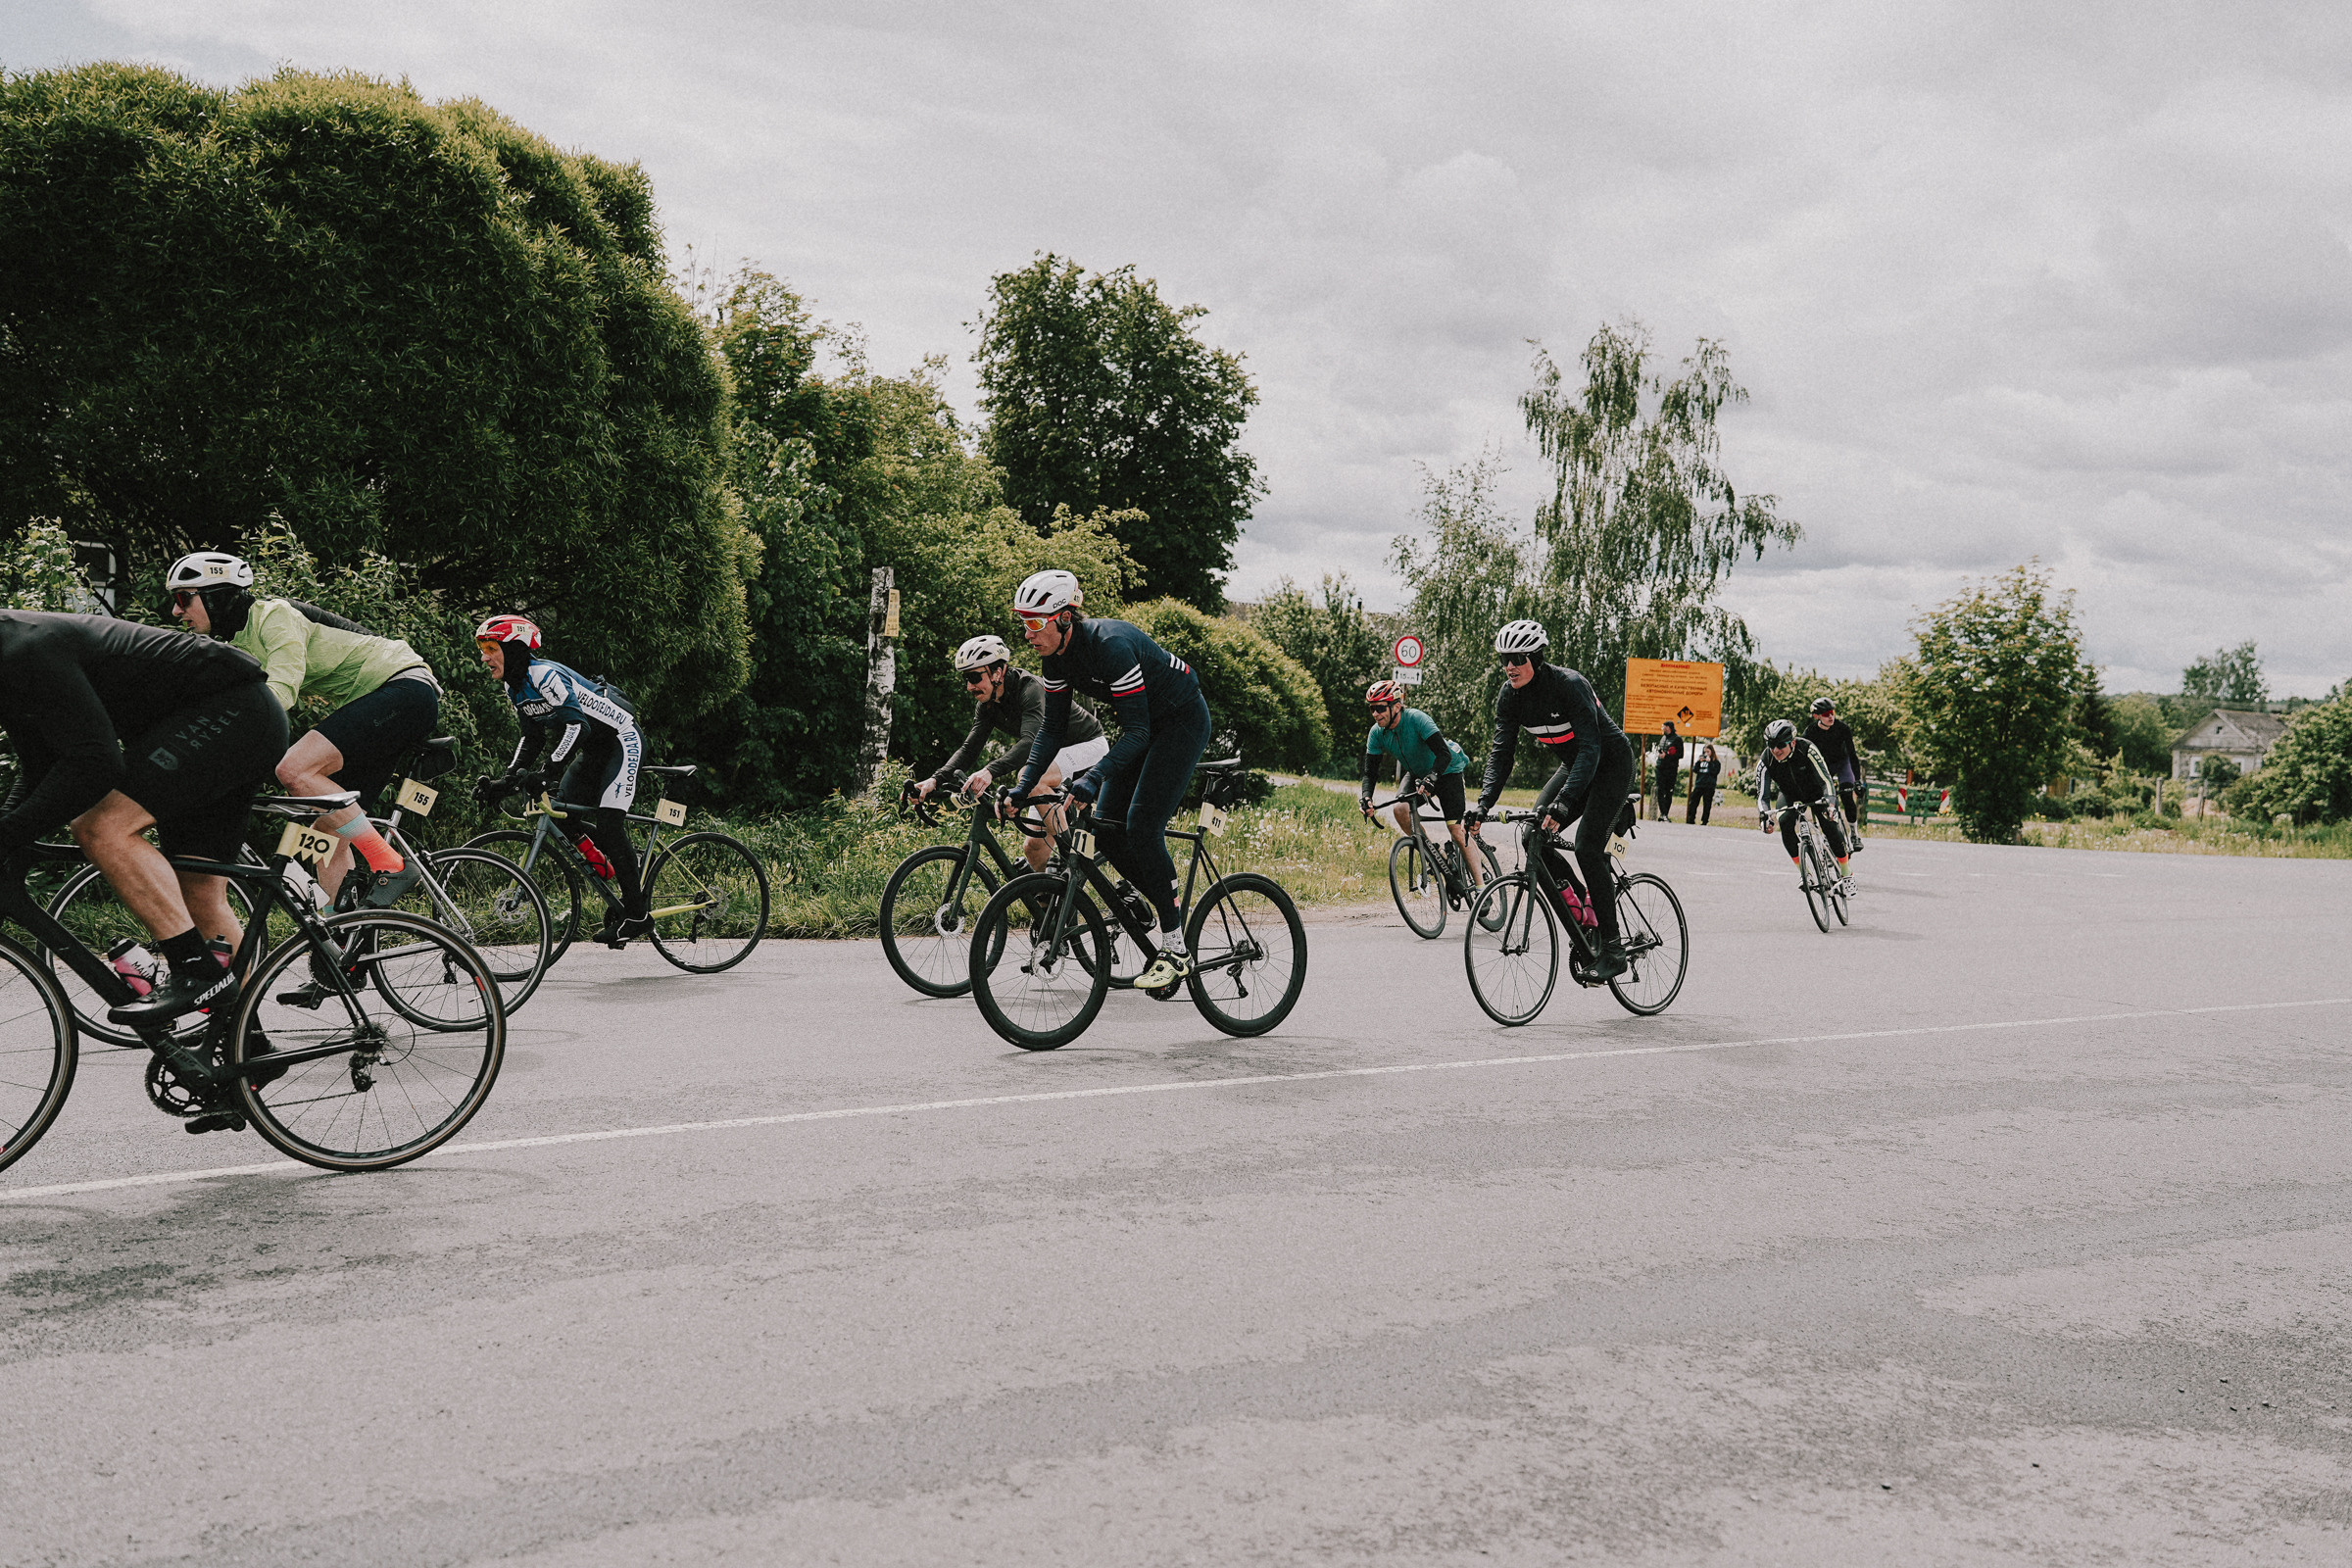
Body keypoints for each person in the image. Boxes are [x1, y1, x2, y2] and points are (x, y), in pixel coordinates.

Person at [0, 611, 286, 1023]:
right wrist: (10, 831)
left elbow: (97, 762)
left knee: (100, 828)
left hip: (231, 713)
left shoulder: (23, 650)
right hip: (231, 719)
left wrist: (8, 834)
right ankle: (245, 1047)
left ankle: (194, 968)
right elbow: (41, 763)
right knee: (199, 890)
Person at [166, 552, 441, 909]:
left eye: (183, 598)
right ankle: (342, 938)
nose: (176, 611)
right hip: (382, 700)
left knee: (293, 770)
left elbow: (281, 691)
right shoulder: (236, 644)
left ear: (217, 595)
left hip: (403, 687)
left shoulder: (274, 616)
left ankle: (388, 862)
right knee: (327, 828)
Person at [1007, 570, 1211, 993]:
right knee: (1109, 829)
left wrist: (1093, 778)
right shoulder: (1055, 659)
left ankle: (1176, 948)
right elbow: (1051, 730)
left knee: (1142, 825)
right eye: (1023, 622)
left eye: (1034, 622)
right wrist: (1023, 784)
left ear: (1064, 618)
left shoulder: (1111, 647)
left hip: (1181, 721)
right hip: (1147, 727)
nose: (1027, 633)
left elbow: (1136, 732)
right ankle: (1151, 895)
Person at [1461, 619, 1635, 979]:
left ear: (1537, 658)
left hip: (1610, 765)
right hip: (1575, 767)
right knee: (1531, 836)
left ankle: (1615, 949)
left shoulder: (1570, 686)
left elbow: (1591, 748)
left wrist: (1566, 802)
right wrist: (1483, 804)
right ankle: (1585, 911)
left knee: (1588, 846)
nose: (1509, 665)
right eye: (1504, 659)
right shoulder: (1510, 696)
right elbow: (1501, 753)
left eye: (1517, 657)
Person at [472, 614, 651, 948]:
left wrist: (549, 771)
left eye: (491, 648)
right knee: (562, 814)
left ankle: (637, 914)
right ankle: (623, 862)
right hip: (592, 750)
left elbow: (576, 727)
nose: (484, 657)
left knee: (610, 823)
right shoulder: (514, 686)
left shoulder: (544, 674)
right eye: (483, 649)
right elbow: (532, 738)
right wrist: (506, 780)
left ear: (513, 650)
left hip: (621, 740)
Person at [916, 634, 1109, 873]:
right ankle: (1052, 905)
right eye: (966, 678)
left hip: (1088, 745)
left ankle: (1075, 859)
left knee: (1032, 777)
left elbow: (1031, 743)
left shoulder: (1030, 689)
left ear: (998, 672)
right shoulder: (988, 705)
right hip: (1051, 758)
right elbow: (970, 748)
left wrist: (989, 772)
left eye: (975, 677)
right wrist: (936, 779)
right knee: (1034, 849)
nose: (969, 686)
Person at [1358, 679, 1481, 897]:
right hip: (1417, 773)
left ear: (1396, 706)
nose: (1375, 714)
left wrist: (1432, 778)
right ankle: (1436, 856)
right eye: (1372, 709)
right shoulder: (1377, 733)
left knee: (1456, 830)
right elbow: (1370, 772)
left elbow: (1443, 753)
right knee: (1400, 810)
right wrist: (1366, 797)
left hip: (1447, 770)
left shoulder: (1417, 719)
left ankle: (1482, 888)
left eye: (1380, 708)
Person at [1756, 717, 1851, 889]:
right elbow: (1762, 796)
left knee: (1830, 825)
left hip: (1817, 792)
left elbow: (1826, 780)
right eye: (1771, 745)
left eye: (1780, 745)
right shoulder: (1765, 760)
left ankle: (1846, 873)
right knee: (1784, 822)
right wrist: (1764, 817)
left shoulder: (1807, 748)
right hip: (1790, 795)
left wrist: (1830, 803)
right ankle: (1805, 873)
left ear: (1792, 743)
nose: (1775, 750)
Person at [1807, 697, 1865, 850]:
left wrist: (1858, 781)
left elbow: (1853, 755)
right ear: (1817, 716)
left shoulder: (1842, 728)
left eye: (1832, 712)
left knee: (1847, 795)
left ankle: (1854, 833)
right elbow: (1805, 760)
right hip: (1824, 767)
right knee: (1825, 801)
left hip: (1842, 763)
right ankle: (1829, 836)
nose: (1831, 717)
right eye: (1826, 714)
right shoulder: (1810, 732)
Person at [1686, 744, 1722, 825]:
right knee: (1693, 802)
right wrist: (1699, 762)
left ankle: (1704, 820)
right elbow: (1694, 769)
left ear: (1712, 752)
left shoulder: (1716, 762)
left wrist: (1710, 762)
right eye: (1704, 752)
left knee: (1707, 804)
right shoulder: (1701, 760)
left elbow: (1715, 772)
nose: (1706, 754)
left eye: (1708, 752)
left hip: (1709, 786)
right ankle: (1691, 818)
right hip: (1699, 784)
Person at [1654, 720, 1684, 820]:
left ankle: (1665, 813)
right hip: (1660, 768)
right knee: (1660, 790)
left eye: (1664, 727)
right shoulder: (1663, 738)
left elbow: (1680, 754)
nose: (1663, 729)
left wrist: (1667, 756)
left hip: (1670, 769)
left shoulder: (1677, 739)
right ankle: (1662, 813)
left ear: (1669, 728)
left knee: (1668, 791)